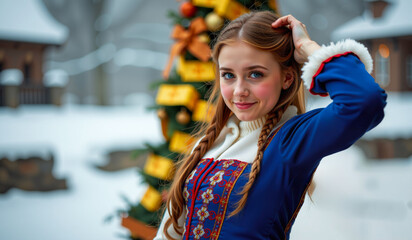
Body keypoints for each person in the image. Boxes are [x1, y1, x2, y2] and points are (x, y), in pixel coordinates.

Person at [154, 11, 387, 240]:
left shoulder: (293, 140)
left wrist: (307, 47)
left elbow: (364, 101)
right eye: (228, 75)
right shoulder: (212, 141)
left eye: (255, 74)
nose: (239, 91)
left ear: (287, 78)